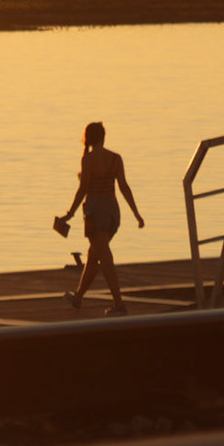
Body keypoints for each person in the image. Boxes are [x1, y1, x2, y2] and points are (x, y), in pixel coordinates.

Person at [56, 121, 144, 316]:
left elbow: (83, 190)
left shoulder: (88, 160)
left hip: (96, 215)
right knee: (93, 256)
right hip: (112, 214)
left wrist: (69, 214)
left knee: (105, 259)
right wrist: (136, 214)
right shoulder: (115, 158)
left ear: (87, 140)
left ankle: (119, 304)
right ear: (103, 137)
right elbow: (124, 187)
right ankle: (78, 298)